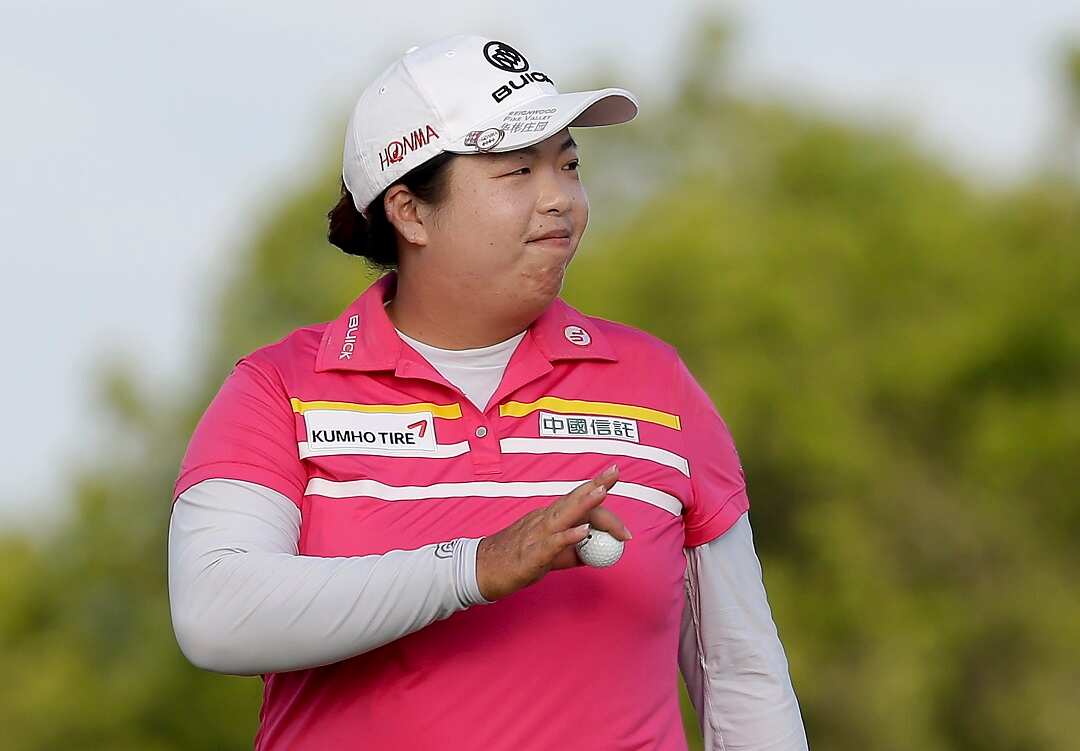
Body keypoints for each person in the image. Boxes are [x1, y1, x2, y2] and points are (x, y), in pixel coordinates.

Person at [167, 34, 809, 750]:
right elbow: (216, 613)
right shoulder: (278, 388)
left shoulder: (658, 385)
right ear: (409, 211)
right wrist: (475, 567)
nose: (559, 199)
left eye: (567, 165)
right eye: (517, 171)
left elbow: (742, 672)